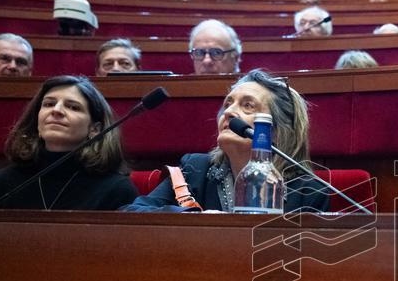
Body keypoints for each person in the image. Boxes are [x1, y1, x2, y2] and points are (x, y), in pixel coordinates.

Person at [122, 70, 328, 214]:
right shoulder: (195, 170)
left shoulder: (309, 192)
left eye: (247, 106)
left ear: (275, 132)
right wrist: (194, 219)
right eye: (227, 104)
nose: (228, 112)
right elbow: (132, 212)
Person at [0, 75, 138, 211]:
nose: (56, 110)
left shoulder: (116, 190)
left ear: (95, 129)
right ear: (37, 120)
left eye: (73, 107)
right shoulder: (0, 184)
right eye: (48, 104)